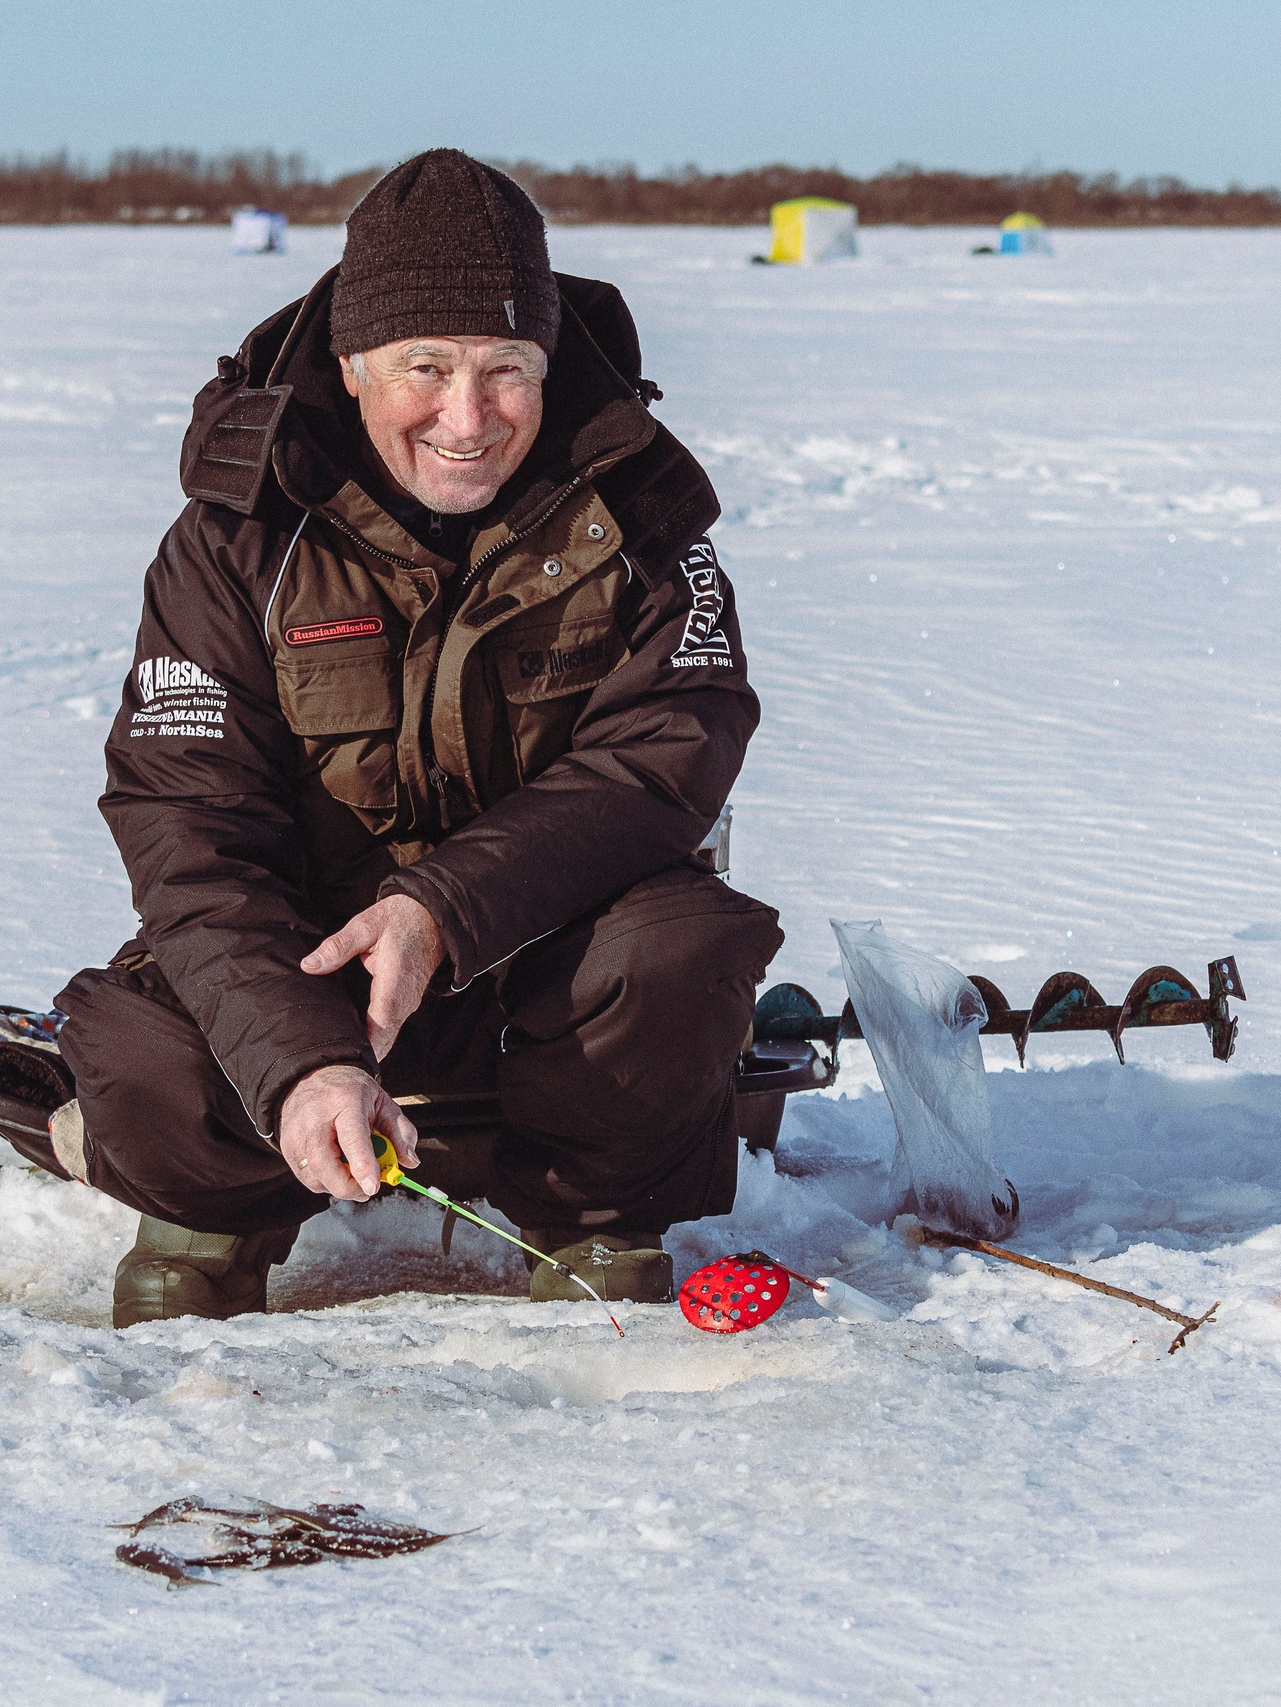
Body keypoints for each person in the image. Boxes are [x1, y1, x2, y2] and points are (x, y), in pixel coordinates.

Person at [48, 149, 782, 1327]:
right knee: (140, 1051)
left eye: (506, 369)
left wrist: (441, 910)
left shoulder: (640, 515)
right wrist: (302, 1060)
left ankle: (594, 1224)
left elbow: (665, 759)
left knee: (678, 947)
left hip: (539, 963)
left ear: (549, 366)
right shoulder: (234, 539)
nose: (467, 417)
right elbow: (188, 821)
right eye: (424, 367)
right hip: (315, 964)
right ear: (351, 367)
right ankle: (212, 1222)